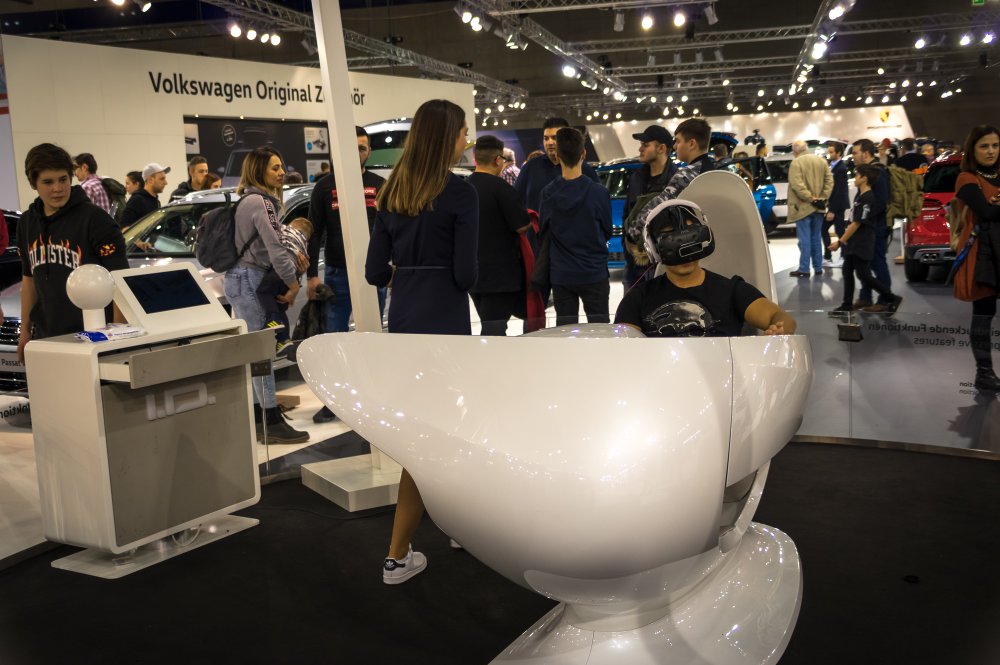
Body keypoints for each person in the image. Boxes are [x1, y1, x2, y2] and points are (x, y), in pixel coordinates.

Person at [365, 99, 477, 584]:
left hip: (405, 318)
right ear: (449, 137)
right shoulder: (461, 193)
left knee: (420, 434)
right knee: (448, 431)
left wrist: (409, 275)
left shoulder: (392, 192)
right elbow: (466, 274)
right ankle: (400, 552)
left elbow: (374, 271)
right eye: (463, 132)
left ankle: (441, 533)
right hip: (446, 320)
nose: (467, 139)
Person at [224, 146, 309, 445]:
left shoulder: (247, 200)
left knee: (254, 352)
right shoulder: (261, 202)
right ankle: (270, 420)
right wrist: (293, 283)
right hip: (250, 280)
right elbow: (275, 247)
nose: (282, 172)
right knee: (262, 352)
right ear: (259, 170)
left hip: (240, 279)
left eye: (281, 166)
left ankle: (260, 416)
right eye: (275, 168)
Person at [16, 143, 130, 363]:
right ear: (33, 184)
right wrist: (25, 332)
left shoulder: (96, 220)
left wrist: (118, 338)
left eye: (63, 179)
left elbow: (119, 280)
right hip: (46, 338)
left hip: (94, 339)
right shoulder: (27, 222)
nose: (57, 188)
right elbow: (28, 279)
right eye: (48, 182)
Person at [615, 199, 796, 337]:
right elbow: (623, 345)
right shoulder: (638, 298)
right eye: (673, 245)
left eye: (690, 242)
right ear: (654, 249)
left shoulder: (731, 291)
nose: (684, 255)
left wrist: (779, 328)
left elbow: (778, 316)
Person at [307, 126, 387, 423]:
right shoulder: (324, 187)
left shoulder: (380, 185)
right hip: (337, 273)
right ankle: (335, 401)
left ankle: (374, 397)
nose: (357, 153)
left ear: (369, 151)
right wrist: (311, 276)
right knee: (335, 340)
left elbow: (392, 229)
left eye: (362, 148)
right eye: (351, 147)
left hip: (374, 274)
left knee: (373, 338)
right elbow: (314, 232)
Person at [539, 127, 612, 326]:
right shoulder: (598, 192)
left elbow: (543, 231)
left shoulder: (548, 193)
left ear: (558, 155)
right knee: (600, 332)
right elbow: (607, 230)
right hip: (594, 272)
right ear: (584, 154)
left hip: (561, 274)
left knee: (565, 332)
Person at [624, 117, 716, 265]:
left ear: (692, 144)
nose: (674, 146)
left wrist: (632, 234)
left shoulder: (687, 174)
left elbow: (657, 206)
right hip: (706, 246)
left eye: (678, 141)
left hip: (684, 251)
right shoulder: (713, 172)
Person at [949, 125, 1000, 391]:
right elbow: (986, 212)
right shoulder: (966, 178)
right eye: (984, 146)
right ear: (973, 149)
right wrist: (991, 206)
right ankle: (984, 373)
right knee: (983, 313)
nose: (991, 151)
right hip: (982, 253)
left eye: (995, 145)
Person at [468, 135, 530, 336]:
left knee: (488, 325)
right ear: (497, 160)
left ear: (475, 158)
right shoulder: (502, 188)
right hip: (500, 276)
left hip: (472, 274)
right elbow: (522, 225)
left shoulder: (463, 188)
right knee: (494, 331)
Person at [828, 164, 903, 317]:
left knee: (864, 275)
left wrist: (840, 242)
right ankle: (846, 305)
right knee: (847, 271)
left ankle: (891, 298)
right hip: (853, 242)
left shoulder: (868, 198)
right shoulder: (860, 197)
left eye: (857, 175)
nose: (855, 178)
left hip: (862, 242)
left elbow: (857, 223)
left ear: (864, 178)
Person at [622, 124, 677, 290]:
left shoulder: (676, 181)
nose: (640, 149)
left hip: (666, 267)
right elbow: (627, 214)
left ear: (661, 148)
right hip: (634, 267)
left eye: (645, 145)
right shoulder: (636, 178)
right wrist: (629, 249)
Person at [514, 117, 599, 213]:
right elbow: (516, 199)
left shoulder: (584, 169)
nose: (549, 142)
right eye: (546, 138)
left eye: (555, 138)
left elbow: (597, 204)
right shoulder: (530, 167)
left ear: (567, 139)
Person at [257, 217, 312, 358]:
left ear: (292, 226)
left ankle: (273, 319)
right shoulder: (304, 245)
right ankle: (284, 340)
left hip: (281, 269)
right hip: (292, 277)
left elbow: (272, 231)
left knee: (263, 292)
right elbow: (301, 266)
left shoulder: (286, 230)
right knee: (280, 307)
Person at [851, 139, 892, 310]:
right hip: (869, 226)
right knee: (865, 263)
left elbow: (882, 201)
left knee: (877, 262)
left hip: (877, 227)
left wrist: (864, 218)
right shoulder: (867, 171)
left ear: (865, 154)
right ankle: (865, 297)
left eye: (855, 153)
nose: (853, 156)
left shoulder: (878, 172)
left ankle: (885, 300)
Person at [788, 140, 833, 278]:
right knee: (816, 238)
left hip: (802, 207)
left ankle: (804, 269)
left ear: (795, 151)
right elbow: (829, 181)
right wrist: (822, 198)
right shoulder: (821, 161)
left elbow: (797, 184)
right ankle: (818, 267)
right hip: (819, 208)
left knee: (805, 240)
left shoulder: (796, 163)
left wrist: (810, 198)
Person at [823, 142, 851, 267]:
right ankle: (828, 256)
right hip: (833, 205)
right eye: (828, 152)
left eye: (831, 152)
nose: (829, 154)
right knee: (825, 229)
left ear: (839, 153)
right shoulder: (832, 166)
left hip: (837, 206)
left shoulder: (841, 168)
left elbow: (839, 190)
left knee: (840, 231)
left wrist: (832, 210)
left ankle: (843, 257)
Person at [121, 162, 168, 228]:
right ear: (151, 180)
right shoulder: (137, 200)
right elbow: (123, 227)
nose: (166, 183)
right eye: (162, 179)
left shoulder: (155, 201)